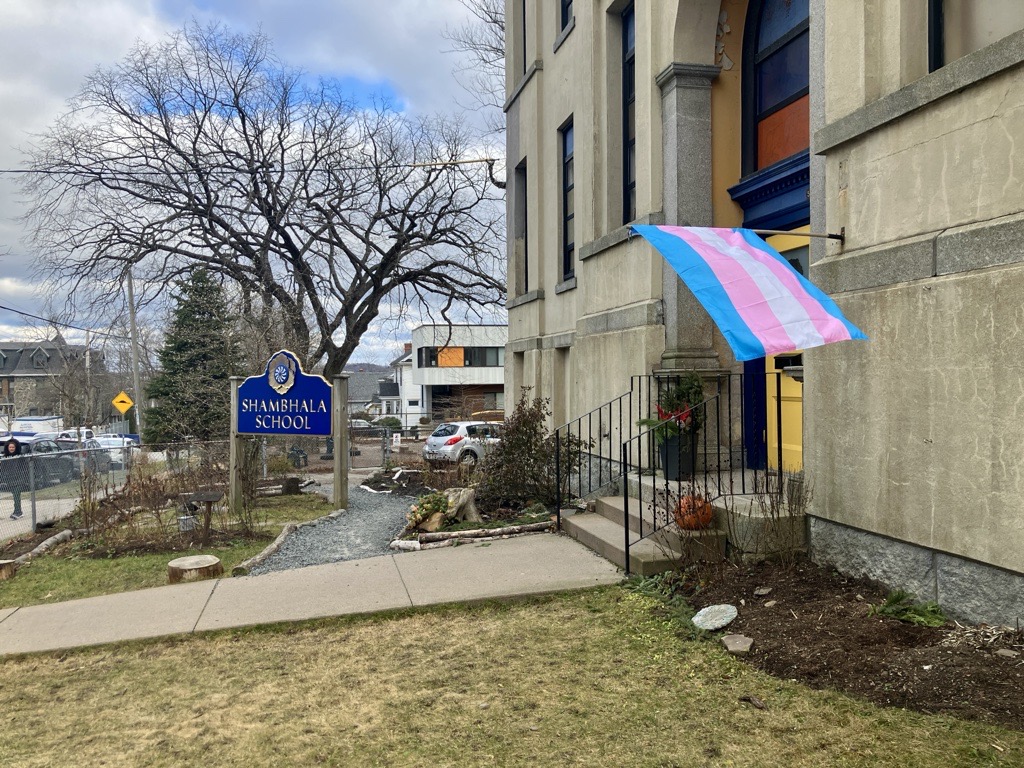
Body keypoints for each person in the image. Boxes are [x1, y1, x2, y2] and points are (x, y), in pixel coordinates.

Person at [1, 437, 25, 520]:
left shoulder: (20, 457)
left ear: (16, 448)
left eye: (13, 447)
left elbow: (24, 469)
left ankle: (18, 512)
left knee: (16, 496)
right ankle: (17, 511)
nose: (11, 449)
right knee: (15, 496)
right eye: (10, 447)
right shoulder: (5, 458)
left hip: (19, 480)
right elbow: (3, 470)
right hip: (10, 480)